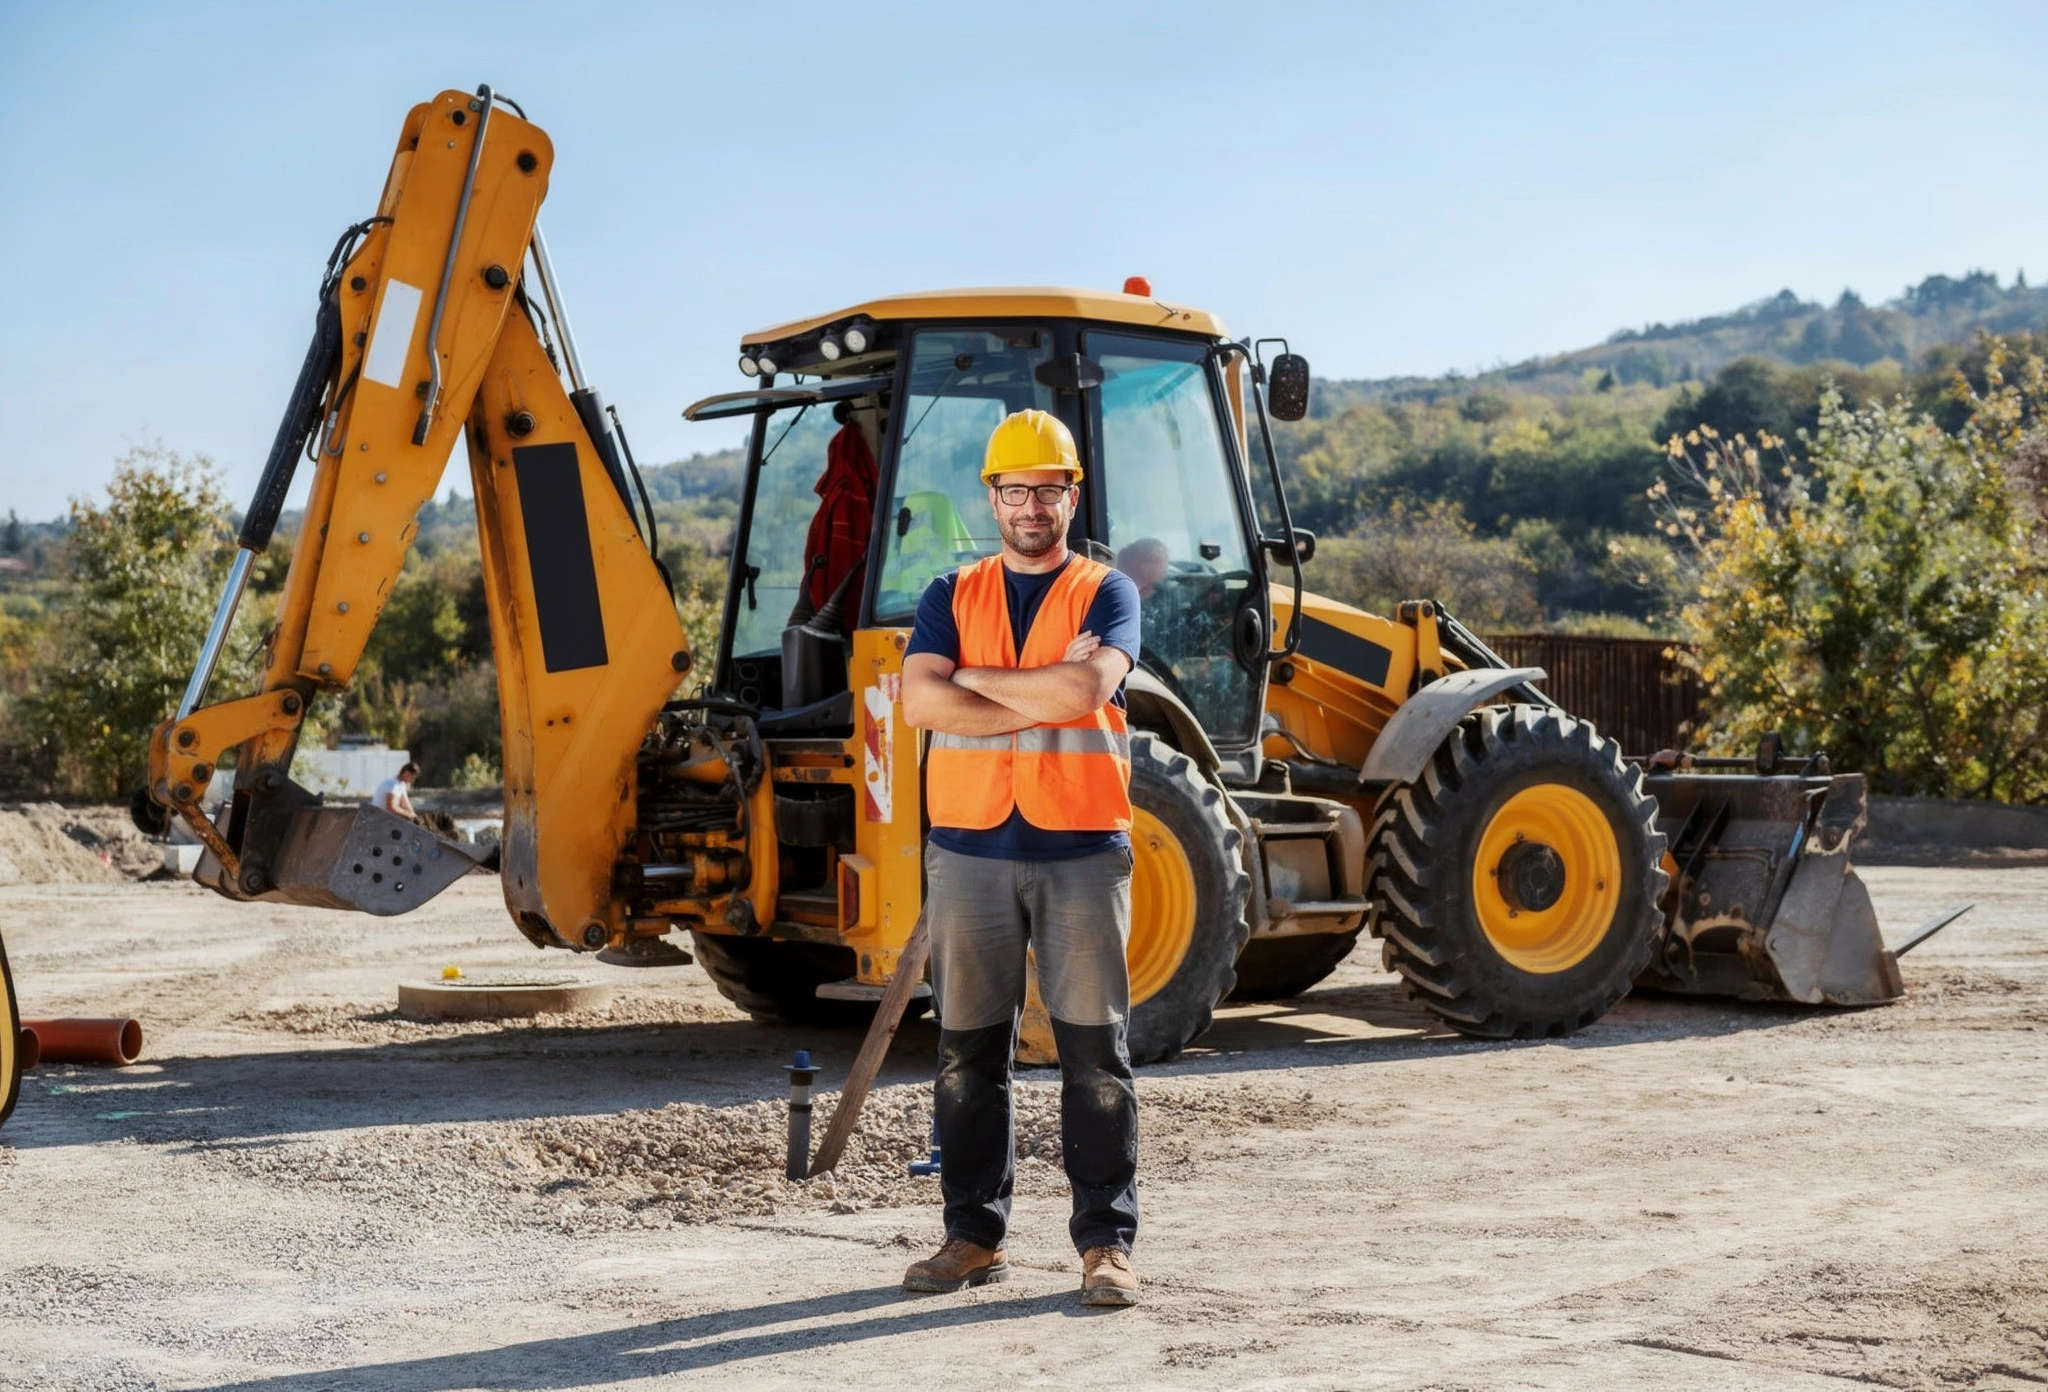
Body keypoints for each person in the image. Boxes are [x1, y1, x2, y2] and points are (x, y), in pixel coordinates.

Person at [900, 408, 1145, 1308]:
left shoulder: (1107, 592)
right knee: (966, 1054)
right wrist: (1037, 693)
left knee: (1095, 1055)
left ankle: (1106, 1245)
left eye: (1048, 489)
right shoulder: (949, 594)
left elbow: (1087, 687)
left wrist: (969, 677)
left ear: (1072, 495)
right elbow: (921, 705)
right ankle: (973, 1237)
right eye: (1015, 490)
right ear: (992, 497)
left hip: (1080, 846)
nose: (1031, 506)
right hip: (969, 849)